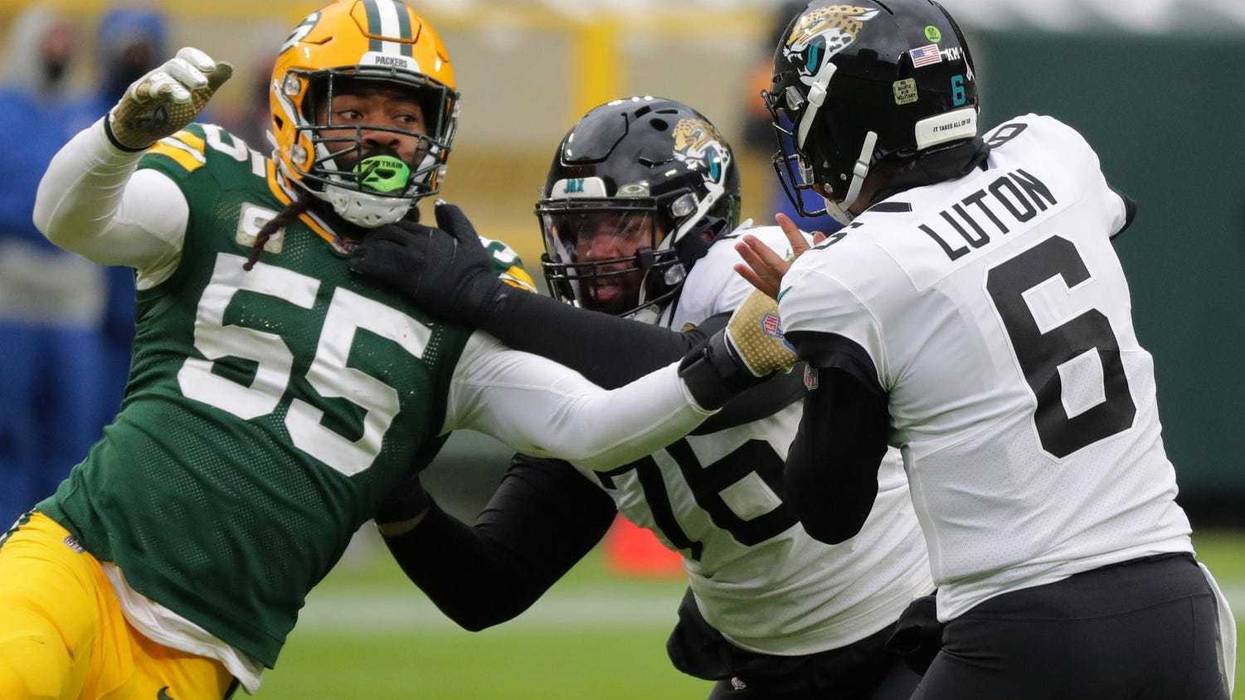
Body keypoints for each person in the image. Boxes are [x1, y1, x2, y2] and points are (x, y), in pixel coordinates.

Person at [0, 3, 786, 697]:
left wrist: (724, 363)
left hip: (213, 644)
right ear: (294, 106)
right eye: (354, 107)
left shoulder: (464, 282)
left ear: (437, 129)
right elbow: (69, 220)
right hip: (81, 556)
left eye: (404, 116)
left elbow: (588, 427)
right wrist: (115, 139)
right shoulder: (218, 179)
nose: (380, 132)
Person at [731, 1, 1236, 698]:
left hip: (1022, 629)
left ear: (847, 120)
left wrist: (821, 335)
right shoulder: (1050, 150)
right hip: (1174, 603)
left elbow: (827, 509)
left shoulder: (843, 274)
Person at [349, 97, 933, 699]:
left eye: (620, 226)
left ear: (695, 219)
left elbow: (720, 380)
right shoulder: (574, 365)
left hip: (907, 632)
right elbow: (487, 588)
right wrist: (391, 482)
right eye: (576, 230)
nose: (593, 252)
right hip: (763, 666)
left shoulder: (750, 267)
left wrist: (487, 299)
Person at [0, 6, 110, 529]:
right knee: (10, 427)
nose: (59, 48)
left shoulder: (87, 111)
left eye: (68, 37)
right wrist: (47, 213)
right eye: (52, 37)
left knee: (73, 428)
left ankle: (59, 542)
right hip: (12, 291)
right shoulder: (5, 107)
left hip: (73, 293)